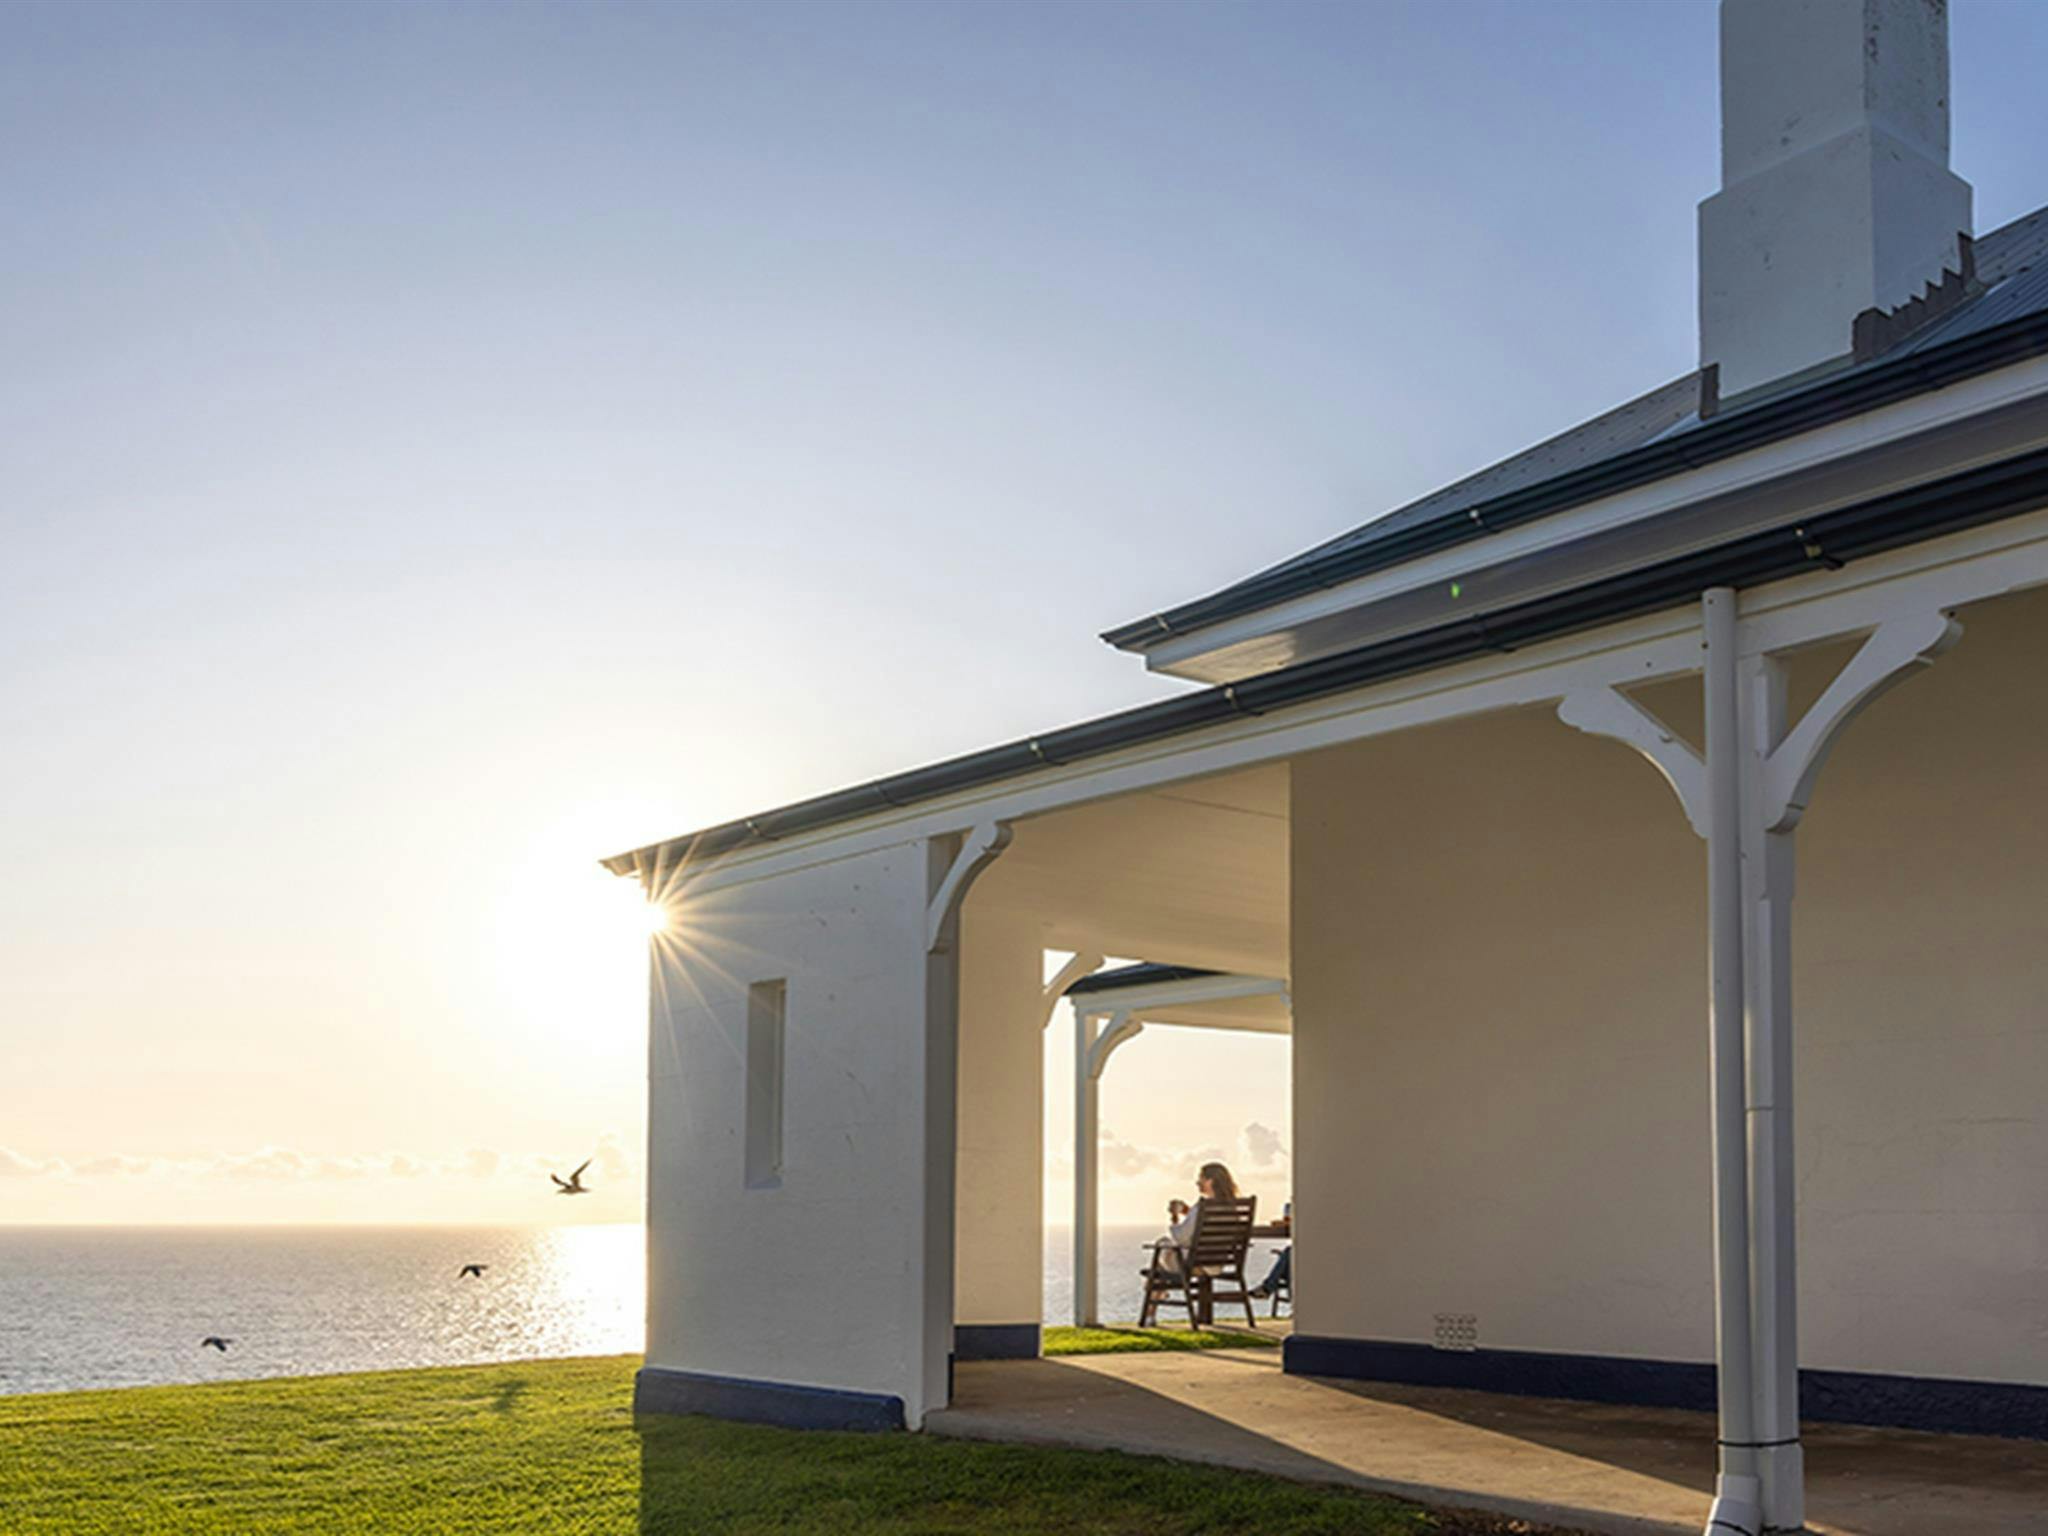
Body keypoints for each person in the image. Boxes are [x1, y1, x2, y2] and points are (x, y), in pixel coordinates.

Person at [1156, 1161, 1240, 1273]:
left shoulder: (1203, 1206)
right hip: (1216, 1265)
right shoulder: (1232, 1208)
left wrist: (1174, 1217)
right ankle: (1157, 1290)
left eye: (1201, 1179)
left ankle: (1155, 1289)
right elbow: (1204, 1222)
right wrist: (1187, 1211)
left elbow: (1181, 1238)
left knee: (1162, 1243)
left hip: (1195, 1263)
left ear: (1210, 1182)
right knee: (1167, 1251)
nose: (1197, 1183)